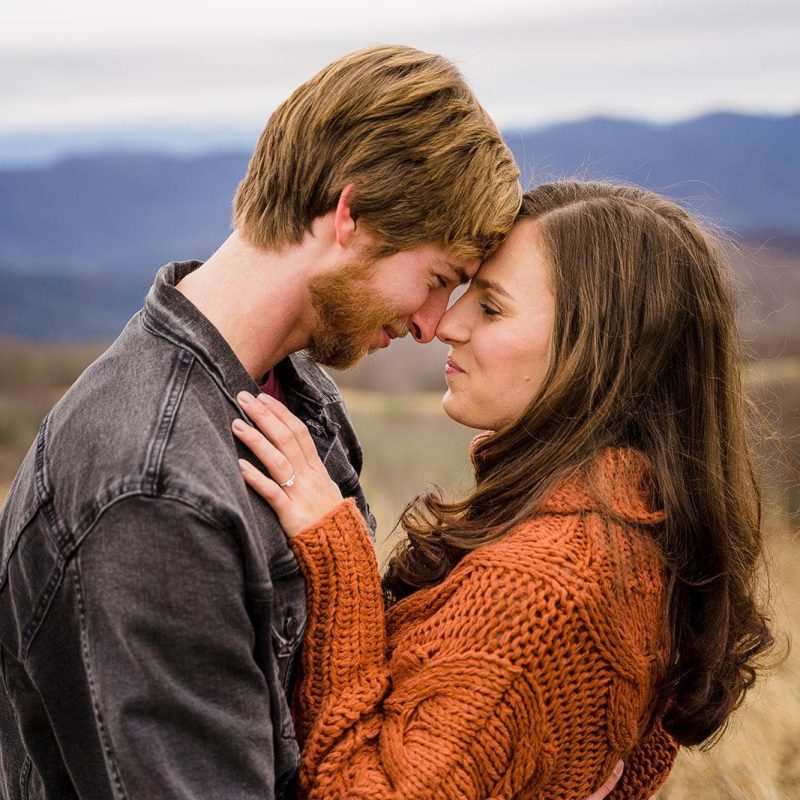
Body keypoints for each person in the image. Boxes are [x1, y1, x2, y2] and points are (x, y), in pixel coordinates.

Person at [0, 46, 521, 799]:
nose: (433, 324)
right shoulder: (151, 493)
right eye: (437, 279)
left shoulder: (297, 396)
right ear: (350, 215)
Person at [233, 181, 775, 799]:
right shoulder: (638, 529)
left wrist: (340, 565)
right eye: (463, 292)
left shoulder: (539, 589)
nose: (446, 325)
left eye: (490, 308)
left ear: (595, 353)